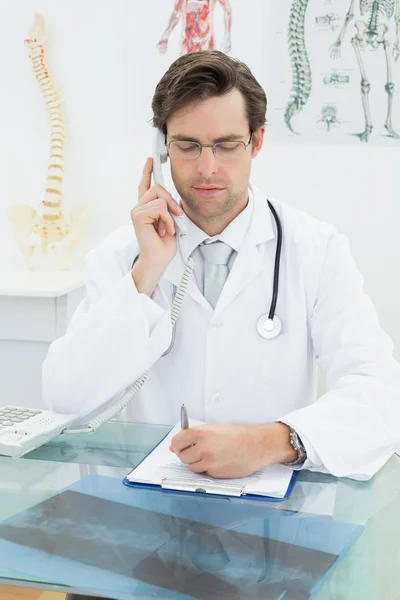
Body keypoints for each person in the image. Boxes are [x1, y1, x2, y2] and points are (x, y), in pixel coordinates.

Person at [44, 49, 400, 490]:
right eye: (187, 146)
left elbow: (381, 395)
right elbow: (65, 400)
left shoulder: (315, 250)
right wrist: (147, 275)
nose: (207, 168)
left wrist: (273, 440)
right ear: (162, 148)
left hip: (274, 527)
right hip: (149, 518)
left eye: (228, 145)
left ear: (258, 141)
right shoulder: (122, 258)